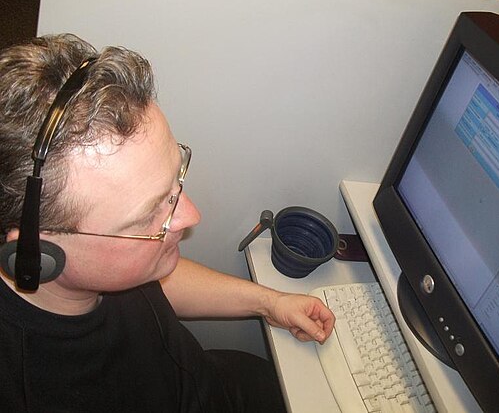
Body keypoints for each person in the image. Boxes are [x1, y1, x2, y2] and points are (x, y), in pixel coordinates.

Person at [0, 34, 335, 412]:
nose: (191, 215)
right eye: (148, 216)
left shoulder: (105, 270)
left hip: (214, 379)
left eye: (175, 181)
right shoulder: (34, 392)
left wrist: (268, 303)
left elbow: (155, 279)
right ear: (37, 253)